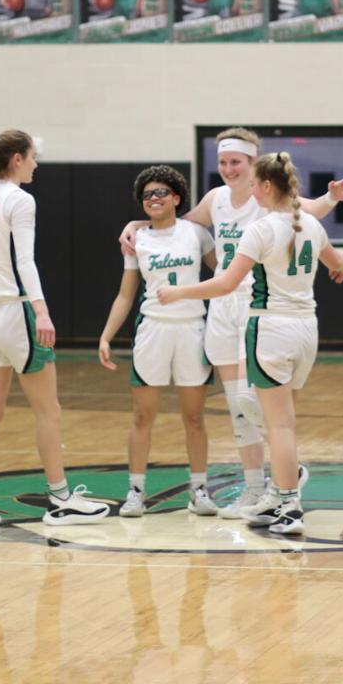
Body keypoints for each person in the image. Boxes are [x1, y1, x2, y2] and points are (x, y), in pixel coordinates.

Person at [117, 128, 343, 519]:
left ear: (254, 165)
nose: (228, 169)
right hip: (221, 305)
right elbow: (176, 227)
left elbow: (313, 210)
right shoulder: (216, 200)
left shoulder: (271, 203)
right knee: (236, 407)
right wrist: (138, 225)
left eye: (235, 162)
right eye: (222, 162)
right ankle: (256, 489)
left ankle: (285, 479)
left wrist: (330, 197)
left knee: (255, 402)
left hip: (257, 305)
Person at [0, 130, 109, 528]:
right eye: (33, 157)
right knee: (48, 410)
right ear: (16, 159)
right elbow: (26, 262)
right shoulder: (20, 199)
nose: (37, 164)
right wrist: (43, 311)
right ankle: (60, 499)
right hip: (16, 315)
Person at [96, 166, 219, 518]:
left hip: (192, 329)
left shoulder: (196, 234)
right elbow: (125, 295)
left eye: (161, 193)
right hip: (152, 330)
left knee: (194, 417)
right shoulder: (136, 240)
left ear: (177, 198)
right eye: (148, 195)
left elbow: (224, 277)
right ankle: (136, 491)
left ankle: (199, 490)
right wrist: (106, 335)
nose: (154, 199)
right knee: (142, 415)